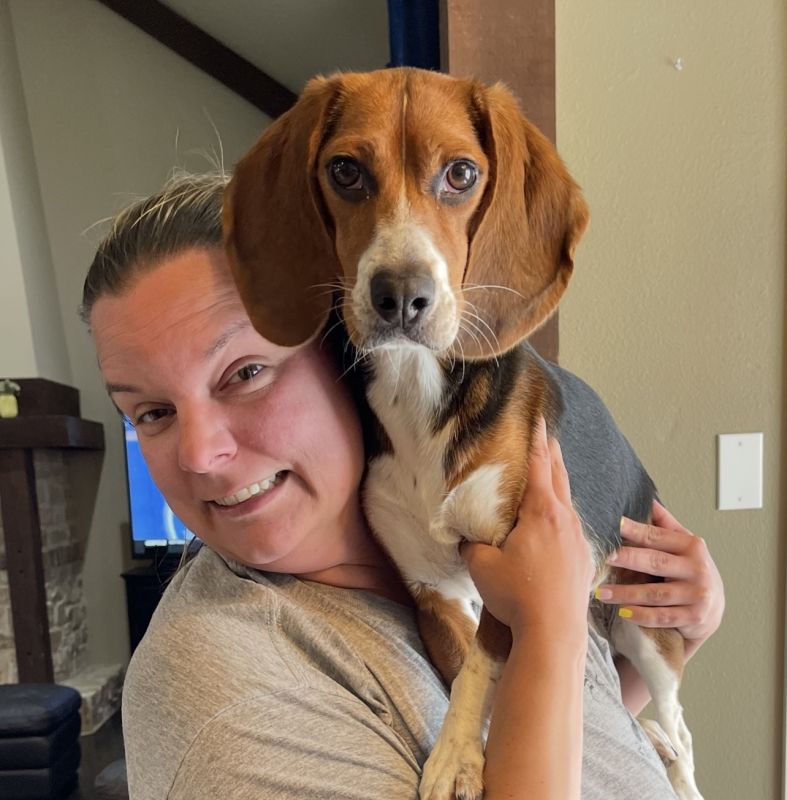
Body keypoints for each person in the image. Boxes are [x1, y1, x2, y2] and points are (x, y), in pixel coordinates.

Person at [81, 173, 724, 800]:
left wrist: (668, 633)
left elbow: (579, 738)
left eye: (245, 372)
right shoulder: (227, 688)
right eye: (151, 414)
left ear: (347, 345)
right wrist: (548, 623)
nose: (198, 454)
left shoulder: (498, 532)